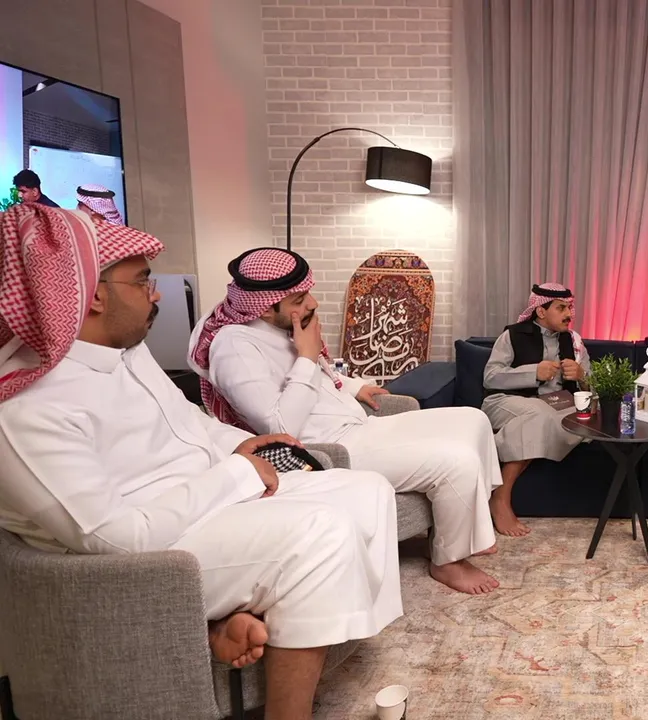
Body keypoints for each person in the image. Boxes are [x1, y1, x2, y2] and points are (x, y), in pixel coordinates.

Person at [0, 205, 402, 719]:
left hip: (203, 497)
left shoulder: (123, 353)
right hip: (142, 550)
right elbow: (116, 537)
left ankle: (269, 625)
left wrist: (242, 445)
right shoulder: (27, 408)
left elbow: (189, 420)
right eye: (142, 281)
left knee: (366, 490)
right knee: (321, 534)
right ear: (92, 294)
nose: (157, 294)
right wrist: (236, 475)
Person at [189, 247, 502, 595]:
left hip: (360, 427)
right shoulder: (234, 347)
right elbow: (279, 428)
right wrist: (307, 356)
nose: (312, 304)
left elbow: (319, 376)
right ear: (265, 306)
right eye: (299, 299)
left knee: (473, 419)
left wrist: (353, 386)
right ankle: (448, 561)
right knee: (456, 462)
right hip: (331, 449)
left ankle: (475, 522)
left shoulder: (280, 327)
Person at [481, 283, 591, 537]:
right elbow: (491, 377)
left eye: (569, 307)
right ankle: (500, 498)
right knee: (539, 415)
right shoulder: (512, 336)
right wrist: (533, 372)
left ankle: (501, 444)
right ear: (541, 311)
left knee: (580, 420)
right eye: (561, 308)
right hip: (505, 401)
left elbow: (593, 386)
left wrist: (582, 375)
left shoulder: (574, 342)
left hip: (554, 405)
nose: (569, 314)